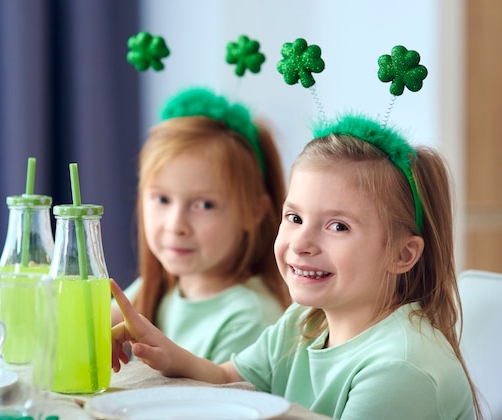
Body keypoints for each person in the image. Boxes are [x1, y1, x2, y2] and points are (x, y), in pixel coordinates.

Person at [111, 114, 481, 419]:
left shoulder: (400, 369)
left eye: (338, 226)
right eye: (294, 217)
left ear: (403, 255)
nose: (301, 243)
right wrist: (168, 353)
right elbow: (227, 377)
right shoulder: (302, 322)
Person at [112, 87, 292, 364]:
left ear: (253, 213)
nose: (176, 225)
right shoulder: (156, 287)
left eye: (204, 205)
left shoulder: (249, 319)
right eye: (162, 199)